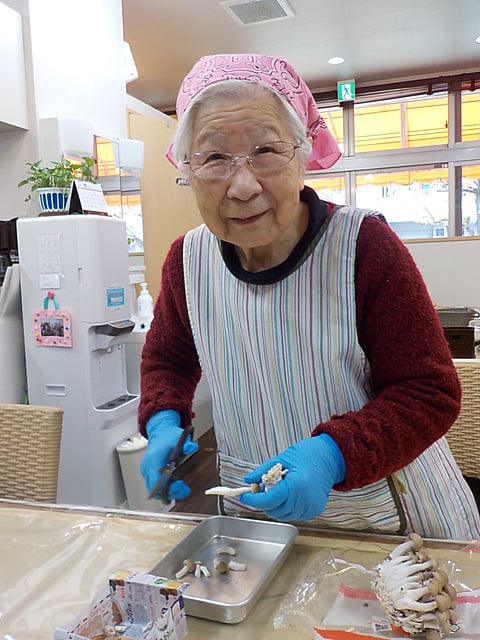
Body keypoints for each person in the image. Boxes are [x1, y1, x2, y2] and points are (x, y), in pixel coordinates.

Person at [138, 53, 480, 539]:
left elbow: (429, 392)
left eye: (266, 150)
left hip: (392, 514)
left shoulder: (362, 246)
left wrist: (333, 454)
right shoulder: (187, 260)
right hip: (257, 510)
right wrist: (163, 420)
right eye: (214, 157)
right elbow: (168, 360)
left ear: (303, 153)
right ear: (187, 170)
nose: (242, 185)